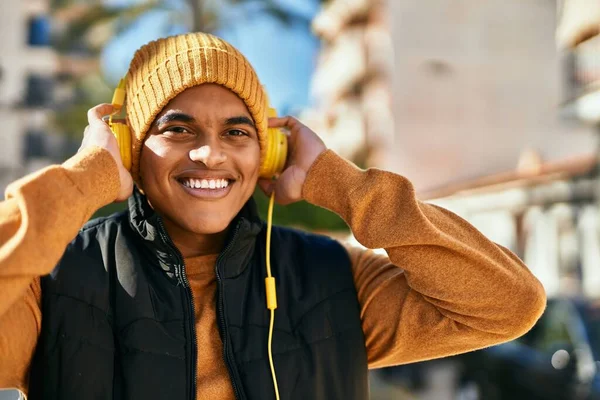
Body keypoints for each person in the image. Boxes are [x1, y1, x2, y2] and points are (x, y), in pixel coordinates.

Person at [0, 32, 545, 400]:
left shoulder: (333, 278)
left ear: (269, 154)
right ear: (130, 147)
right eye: (177, 128)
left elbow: (508, 304)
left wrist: (343, 185)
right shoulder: (54, 279)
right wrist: (83, 180)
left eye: (236, 132)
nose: (211, 155)